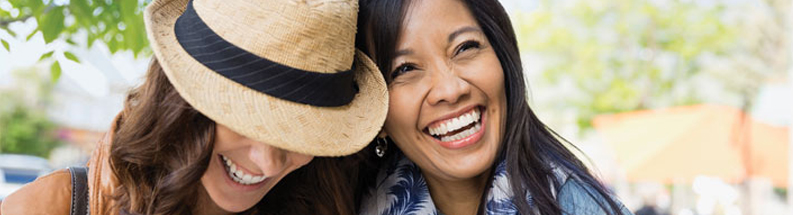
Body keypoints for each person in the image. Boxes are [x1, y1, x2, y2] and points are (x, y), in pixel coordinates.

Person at [0, 0, 387, 214]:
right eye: (245, 118)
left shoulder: (336, 196)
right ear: (181, 99)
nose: (268, 162)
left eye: (300, 131)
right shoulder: (44, 209)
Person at [354, 0, 634, 214]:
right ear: (373, 110)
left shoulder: (580, 206)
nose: (451, 90)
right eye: (404, 69)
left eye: (464, 48)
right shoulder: (342, 204)